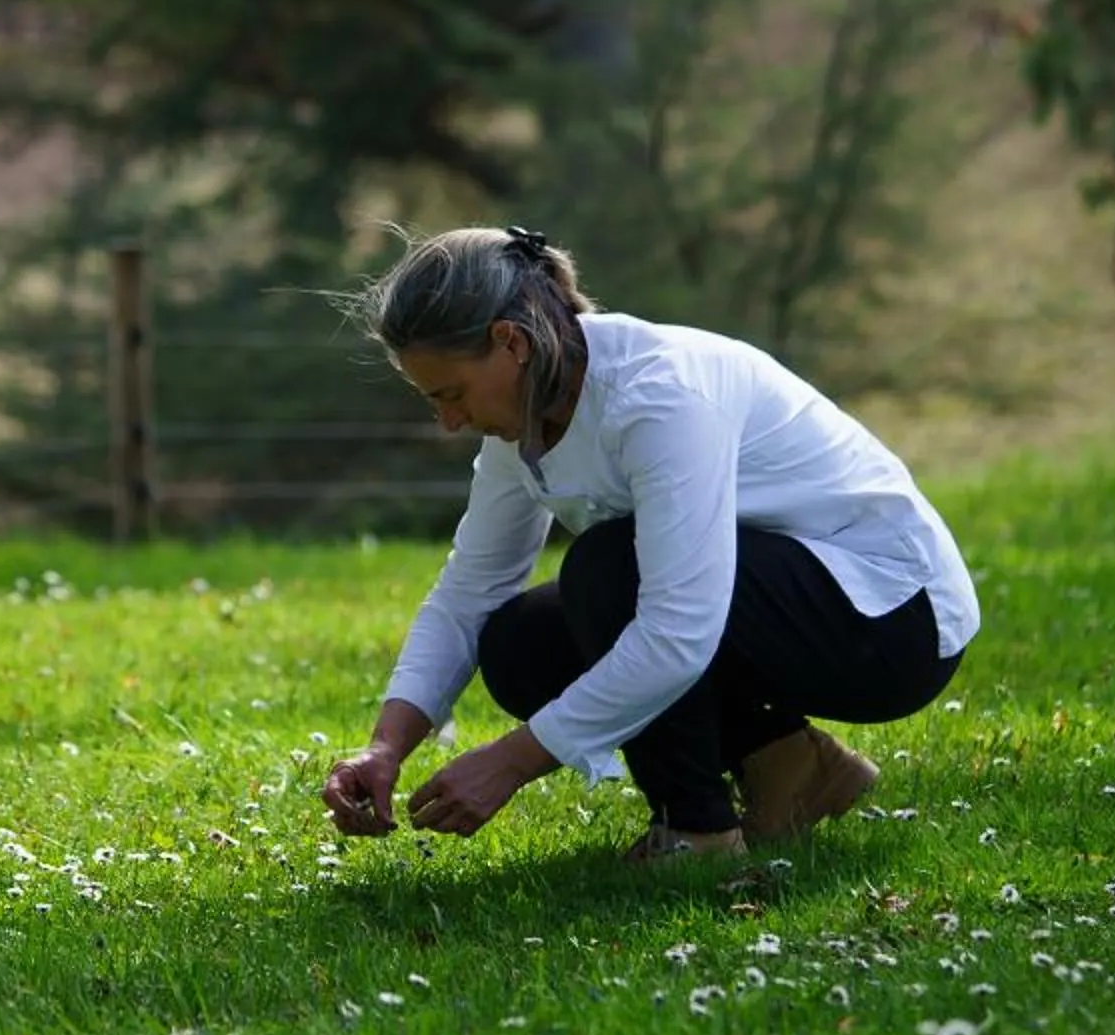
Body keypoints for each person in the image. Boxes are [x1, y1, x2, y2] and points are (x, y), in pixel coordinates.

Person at [319, 225, 979, 862]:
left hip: (894, 622)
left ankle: (699, 834)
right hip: (784, 607)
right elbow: (469, 592)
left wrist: (511, 761)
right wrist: (386, 748)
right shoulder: (524, 425)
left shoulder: (659, 396)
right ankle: (790, 766)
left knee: (609, 571)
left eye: (452, 394)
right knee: (520, 643)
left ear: (510, 342)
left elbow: (678, 631)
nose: (448, 422)